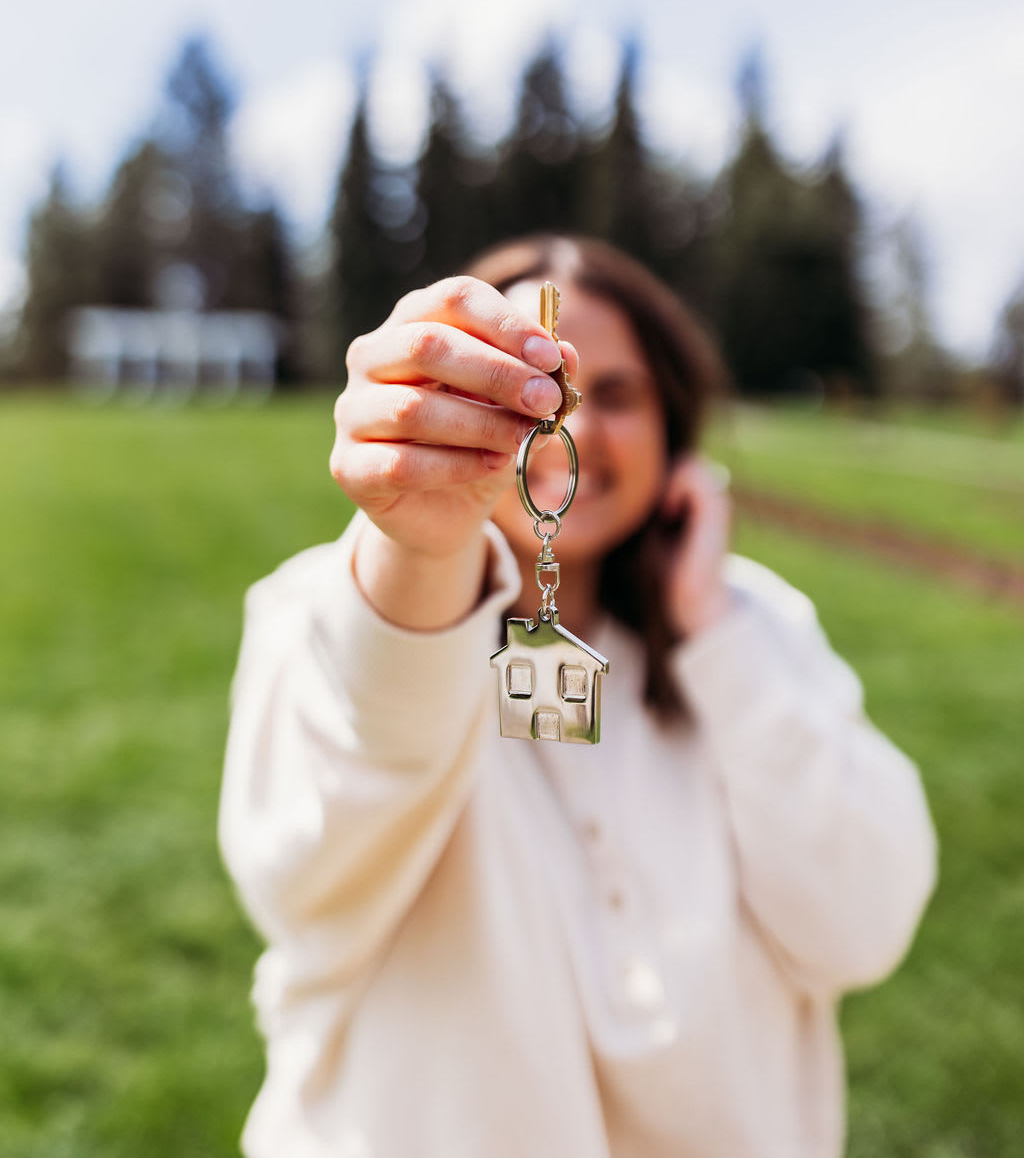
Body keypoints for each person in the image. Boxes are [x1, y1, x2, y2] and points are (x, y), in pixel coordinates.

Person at [219, 234, 936, 1158]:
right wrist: (421, 555)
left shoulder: (760, 624)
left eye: (622, 396)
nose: (577, 429)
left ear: (676, 429)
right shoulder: (330, 608)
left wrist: (712, 628)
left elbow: (864, 926)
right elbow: (304, 871)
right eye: (530, 387)